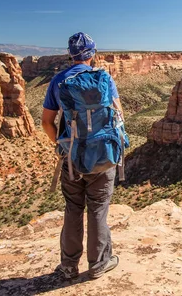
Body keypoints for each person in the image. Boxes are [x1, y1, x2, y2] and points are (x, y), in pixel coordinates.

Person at [42, 32, 122, 280]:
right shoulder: (104, 78)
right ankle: (99, 264)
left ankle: (69, 266)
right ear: (93, 54)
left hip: (72, 158)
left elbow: (46, 122)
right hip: (103, 155)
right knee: (98, 209)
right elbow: (119, 115)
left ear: (70, 55)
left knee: (73, 209)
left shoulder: (58, 81)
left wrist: (62, 145)